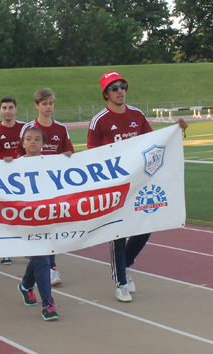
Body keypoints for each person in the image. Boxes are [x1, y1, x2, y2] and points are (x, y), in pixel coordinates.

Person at [87, 70, 188, 302]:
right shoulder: (99, 120)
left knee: (145, 225)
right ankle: (120, 281)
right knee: (118, 233)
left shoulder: (137, 115)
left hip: (139, 183)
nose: (120, 90)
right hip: (114, 186)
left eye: (123, 86)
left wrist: (176, 131)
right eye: (114, 88)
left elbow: (154, 144)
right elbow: (91, 155)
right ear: (106, 93)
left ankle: (126, 264)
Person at [16, 88, 74, 286]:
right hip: (34, 188)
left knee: (52, 227)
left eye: (51, 103)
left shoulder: (61, 129)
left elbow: (69, 155)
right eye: (44, 104)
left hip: (54, 186)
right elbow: (18, 156)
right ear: (36, 105)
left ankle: (36, 275)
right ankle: (50, 268)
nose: (48, 107)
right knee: (41, 229)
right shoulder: (29, 129)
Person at [17, 127, 59, 321]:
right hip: (25, 219)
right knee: (42, 258)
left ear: (43, 143)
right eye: (28, 139)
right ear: (23, 143)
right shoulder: (13, 165)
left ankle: (26, 285)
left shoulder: (52, 163)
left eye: (37, 139)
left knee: (40, 257)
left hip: (46, 217)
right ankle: (48, 304)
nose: (32, 142)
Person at [0, 96, 26, 265]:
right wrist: (0, 164)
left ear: (16, 109)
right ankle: (6, 250)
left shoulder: (25, 128)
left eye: (10, 107)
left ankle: (26, 247)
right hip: (3, 179)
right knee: (6, 213)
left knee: (25, 211)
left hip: (23, 178)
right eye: (4, 108)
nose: (7, 111)